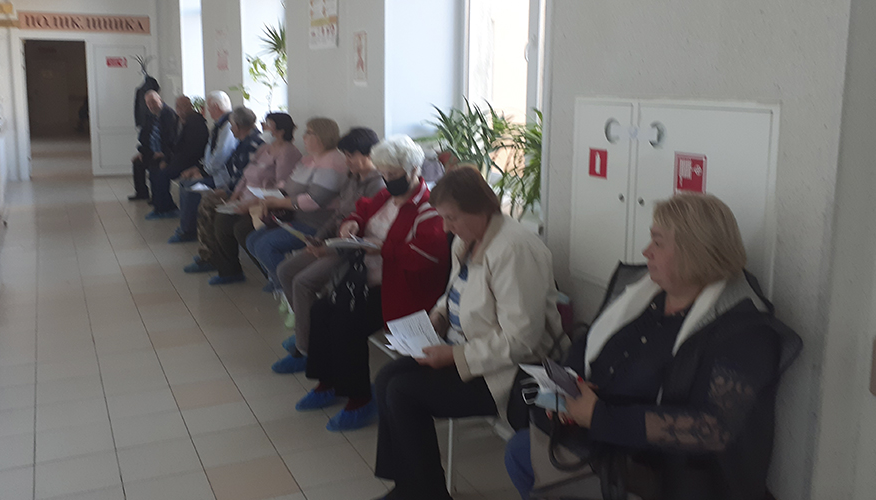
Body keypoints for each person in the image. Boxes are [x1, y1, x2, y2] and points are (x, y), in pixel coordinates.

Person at [504, 194, 798, 500]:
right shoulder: (644, 297)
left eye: (657, 242)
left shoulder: (743, 331)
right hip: (605, 440)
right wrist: (571, 389)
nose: (646, 252)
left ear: (695, 252)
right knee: (522, 449)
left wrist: (598, 416)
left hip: (664, 470)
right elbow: (589, 343)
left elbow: (713, 428)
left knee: (525, 455)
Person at [372, 166, 566, 500]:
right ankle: (409, 485)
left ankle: (426, 493)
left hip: (506, 371)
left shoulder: (514, 250)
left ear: (481, 209)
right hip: (464, 350)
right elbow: (453, 294)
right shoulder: (467, 240)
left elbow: (522, 340)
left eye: (452, 218)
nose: (446, 227)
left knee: (403, 392)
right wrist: (437, 317)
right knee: (386, 378)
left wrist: (454, 356)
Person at [295, 135, 451, 432]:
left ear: (413, 170)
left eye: (393, 174)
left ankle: (359, 400)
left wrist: (383, 249)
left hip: (403, 291)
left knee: (346, 323)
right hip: (368, 280)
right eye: (384, 173)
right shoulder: (387, 196)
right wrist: (352, 223)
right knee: (321, 310)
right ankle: (328, 382)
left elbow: (428, 257)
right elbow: (363, 209)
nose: (387, 179)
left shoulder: (428, 207)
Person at [271, 127, 386, 372]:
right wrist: (318, 238)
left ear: (369, 154)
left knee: (303, 282)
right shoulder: (353, 178)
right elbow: (338, 215)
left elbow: (366, 233)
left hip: (353, 252)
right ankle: (308, 331)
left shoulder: (378, 185)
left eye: (351, 156)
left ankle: (306, 350)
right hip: (331, 243)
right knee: (285, 271)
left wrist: (330, 249)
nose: (346, 161)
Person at [184, 113, 303, 284]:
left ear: (280, 131)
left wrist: (251, 204)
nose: (263, 127)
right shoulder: (264, 148)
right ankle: (229, 271)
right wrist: (234, 197)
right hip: (246, 199)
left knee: (242, 229)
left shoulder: (288, 153)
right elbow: (245, 176)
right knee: (222, 219)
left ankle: (271, 274)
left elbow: (281, 187)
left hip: (267, 204)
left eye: (268, 125)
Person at [243, 118, 348, 292]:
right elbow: (288, 186)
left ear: (322, 136)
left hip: (317, 224)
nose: (303, 137)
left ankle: (287, 286)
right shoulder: (308, 160)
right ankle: (280, 281)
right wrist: (268, 195)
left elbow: (313, 200)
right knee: (252, 240)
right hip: (296, 218)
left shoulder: (333, 162)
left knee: (265, 245)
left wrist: (277, 201)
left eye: (309, 133)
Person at [170, 99, 263, 243]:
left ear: (238, 126)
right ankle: (189, 231)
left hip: (238, 188)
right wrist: (201, 169)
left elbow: (242, 175)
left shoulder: (250, 145)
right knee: (187, 185)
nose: (231, 129)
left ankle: (193, 236)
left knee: (201, 198)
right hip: (230, 184)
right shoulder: (242, 140)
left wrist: (227, 191)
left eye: (233, 126)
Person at [146, 96, 209, 219]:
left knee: (163, 174)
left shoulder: (196, 123)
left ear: (190, 106)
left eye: (183, 106)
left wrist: (171, 162)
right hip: (177, 158)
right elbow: (171, 143)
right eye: (178, 106)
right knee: (155, 168)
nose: (179, 109)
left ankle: (165, 209)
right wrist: (166, 159)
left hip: (190, 161)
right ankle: (161, 205)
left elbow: (192, 150)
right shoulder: (178, 121)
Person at [129, 90, 178, 201]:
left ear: (160, 100)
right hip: (152, 151)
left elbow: (172, 139)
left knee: (154, 167)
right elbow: (144, 136)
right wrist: (142, 152)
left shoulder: (169, 115)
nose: (151, 105)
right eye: (148, 103)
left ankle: (158, 198)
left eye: (153, 102)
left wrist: (163, 154)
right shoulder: (150, 116)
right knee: (137, 163)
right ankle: (142, 193)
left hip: (166, 153)